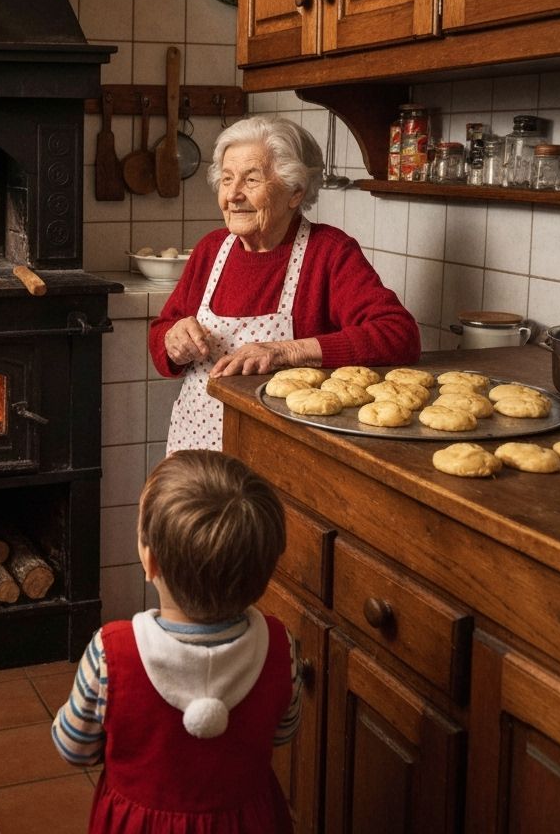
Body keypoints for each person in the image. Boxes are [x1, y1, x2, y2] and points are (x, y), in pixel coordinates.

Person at [52, 449, 299, 832]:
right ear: (266, 572)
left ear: (150, 562)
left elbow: (74, 749)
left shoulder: (112, 652)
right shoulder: (280, 646)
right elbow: (283, 732)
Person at [150, 115, 420, 452]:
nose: (233, 195)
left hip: (283, 452)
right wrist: (171, 340)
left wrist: (287, 351)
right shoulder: (211, 248)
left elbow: (399, 335)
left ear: (295, 192)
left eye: (251, 180)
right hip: (197, 441)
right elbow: (162, 334)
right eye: (227, 179)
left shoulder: (329, 252)